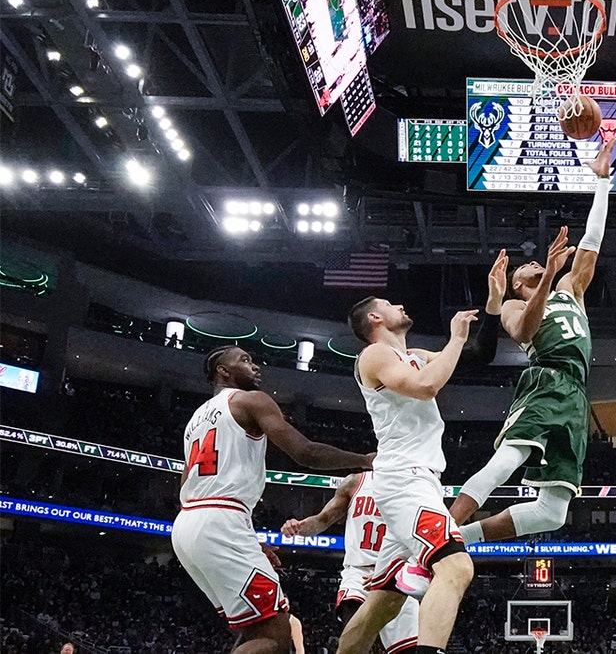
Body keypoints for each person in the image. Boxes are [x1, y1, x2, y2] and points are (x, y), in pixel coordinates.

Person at [337, 249, 508, 654]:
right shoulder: (375, 354)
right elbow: (426, 386)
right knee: (456, 566)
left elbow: (480, 356)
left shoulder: (413, 355)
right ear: (375, 319)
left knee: (382, 603)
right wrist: (455, 337)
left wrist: (494, 306)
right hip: (404, 479)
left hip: (419, 481)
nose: (400, 305)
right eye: (389, 304)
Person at [449, 137, 616, 543]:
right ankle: (443, 524)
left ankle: (463, 538)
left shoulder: (571, 289)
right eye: (529, 268)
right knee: (512, 455)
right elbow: (525, 331)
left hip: (577, 393)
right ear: (517, 282)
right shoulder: (510, 306)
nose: (537, 263)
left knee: (553, 512)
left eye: (541, 265)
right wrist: (544, 279)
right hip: (546, 380)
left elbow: (592, 243)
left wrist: (603, 183)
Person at [171, 346, 374, 654]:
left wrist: (245, 539)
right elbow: (305, 452)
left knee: (253, 627)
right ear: (222, 371)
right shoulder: (250, 400)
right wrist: (363, 459)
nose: (255, 366)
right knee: (276, 633)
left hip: (189, 523)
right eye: (245, 360)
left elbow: (187, 484)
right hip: (221, 522)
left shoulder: (195, 421)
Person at [282, 471, 418, 653]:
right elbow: (323, 519)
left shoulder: (417, 485)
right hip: (359, 573)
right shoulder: (356, 482)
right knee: (354, 639)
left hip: (396, 574)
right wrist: (299, 527)